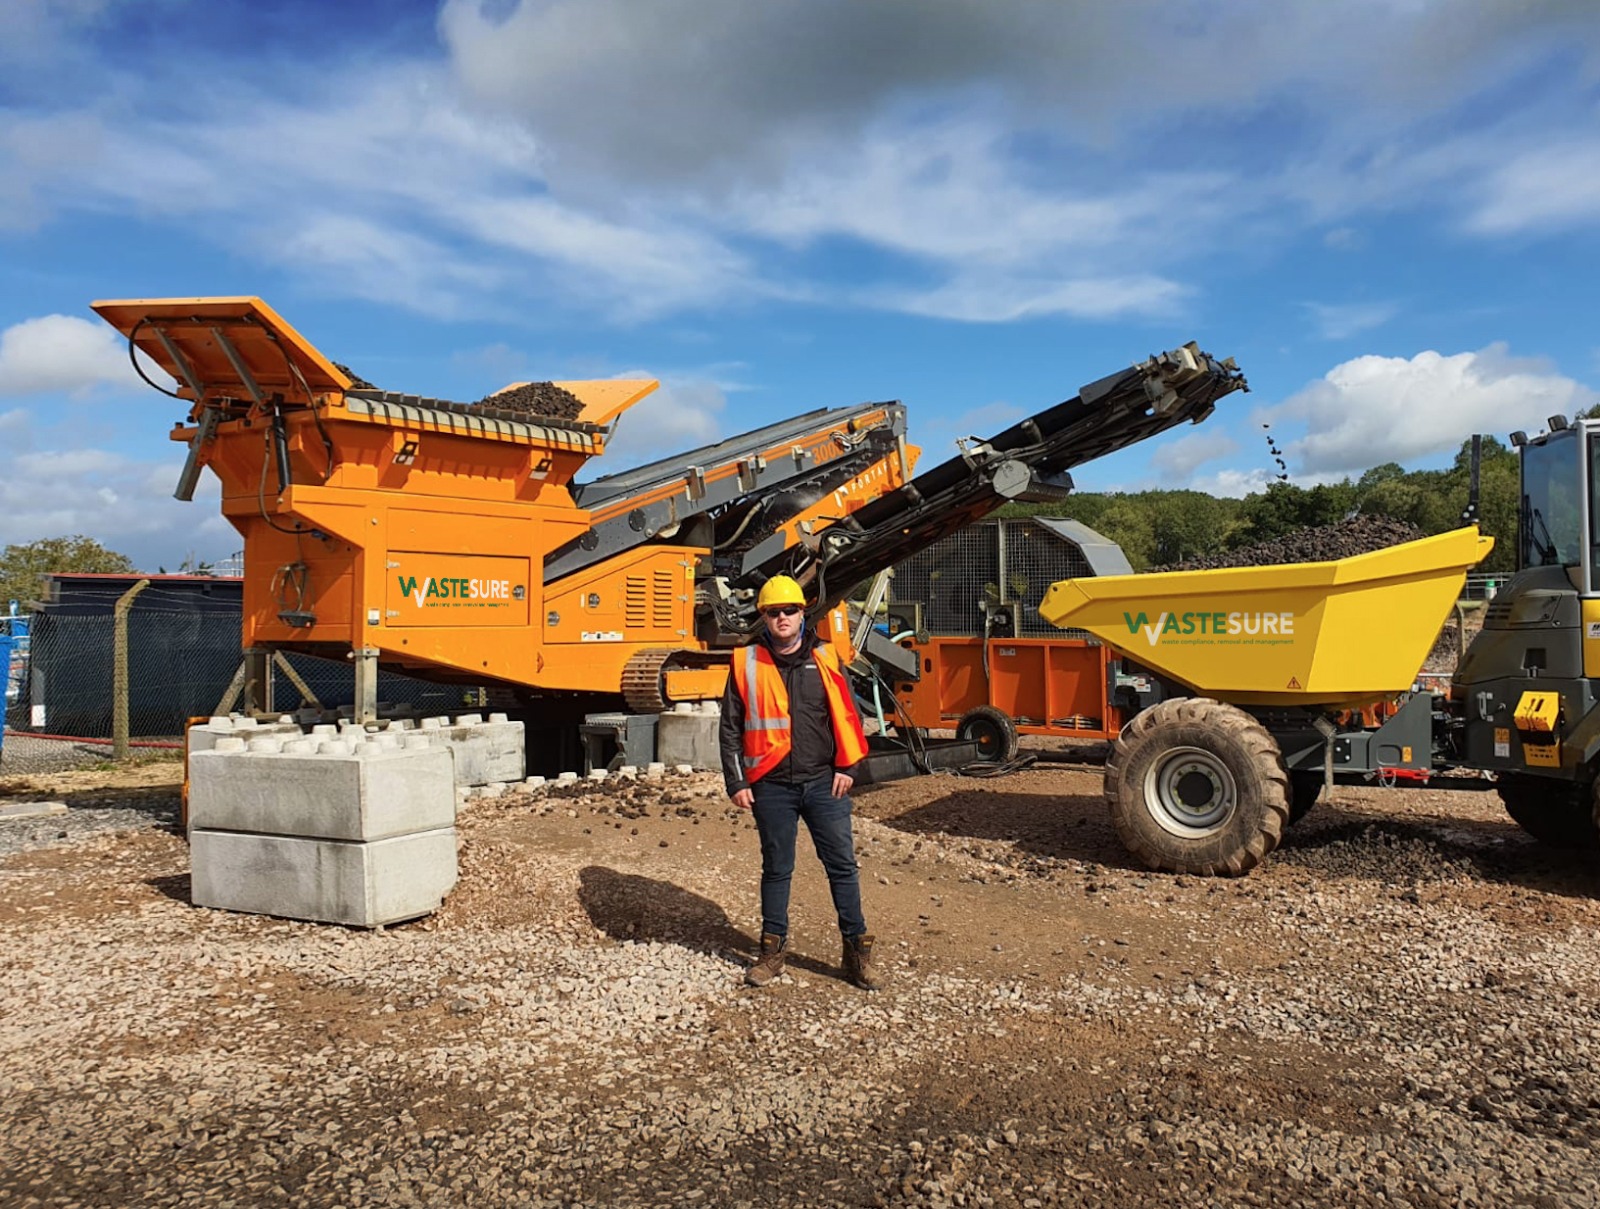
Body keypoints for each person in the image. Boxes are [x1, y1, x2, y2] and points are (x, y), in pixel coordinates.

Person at [720, 574, 881, 990]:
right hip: (771, 786)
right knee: (777, 869)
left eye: (789, 610)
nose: (782, 618)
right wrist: (737, 781)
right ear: (764, 617)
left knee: (842, 867)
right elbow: (730, 728)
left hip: (824, 784)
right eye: (774, 612)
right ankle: (772, 954)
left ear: (802, 613)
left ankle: (856, 955)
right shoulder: (747, 662)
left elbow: (848, 716)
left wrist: (849, 768)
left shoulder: (826, 658)